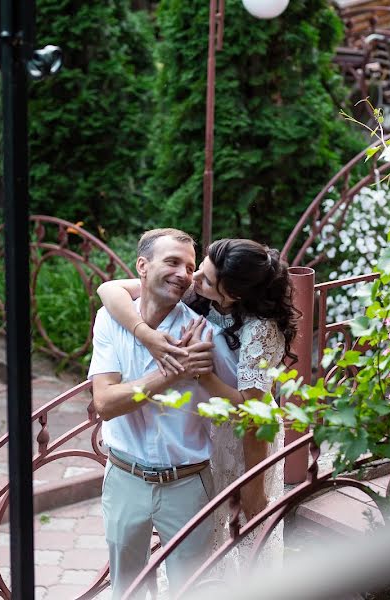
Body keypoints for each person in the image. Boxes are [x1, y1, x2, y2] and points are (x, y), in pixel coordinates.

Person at [98, 238, 298, 557]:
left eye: (204, 278)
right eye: (199, 269)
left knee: (244, 536)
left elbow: (252, 414)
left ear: (234, 294)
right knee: (205, 540)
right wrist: (146, 335)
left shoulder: (260, 330)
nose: (193, 279)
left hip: (245, 438)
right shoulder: (202, 295)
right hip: (205, 433)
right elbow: (109, 289)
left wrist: (203, 376)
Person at [89, 228, 235, 599]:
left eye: (189, 266)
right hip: (124, 476)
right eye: (172, 262)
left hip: (186, 482)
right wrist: (169, 373)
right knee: (127, 589)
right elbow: (104, 404)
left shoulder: (203, 334)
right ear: (142, 266)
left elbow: (244, 403)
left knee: (190, 590)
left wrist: (203, 375)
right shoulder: (109, 320)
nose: (184, 274)